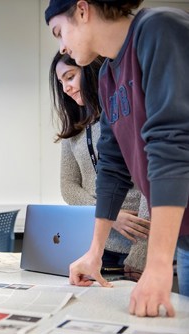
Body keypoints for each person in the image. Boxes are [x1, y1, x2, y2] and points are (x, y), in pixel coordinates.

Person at [45, 0, 189, 317]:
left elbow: (173, 146)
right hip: (184, 235)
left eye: (59, 32)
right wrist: (94, 252)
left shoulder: (156, 28)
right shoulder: (109, 76)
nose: (63, 46)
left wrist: (157, 263)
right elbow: (112, 168)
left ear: (82, 11)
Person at [49, 51, 150, 277]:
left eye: (70, 76)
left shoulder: (124, 115)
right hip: (96, 244)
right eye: (61, 82)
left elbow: (150, 181)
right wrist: (110, 215)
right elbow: (69, 188)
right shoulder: (74, 130)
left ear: (90, 70)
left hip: (136, 247)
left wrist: (143, 251)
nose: (65, 88)